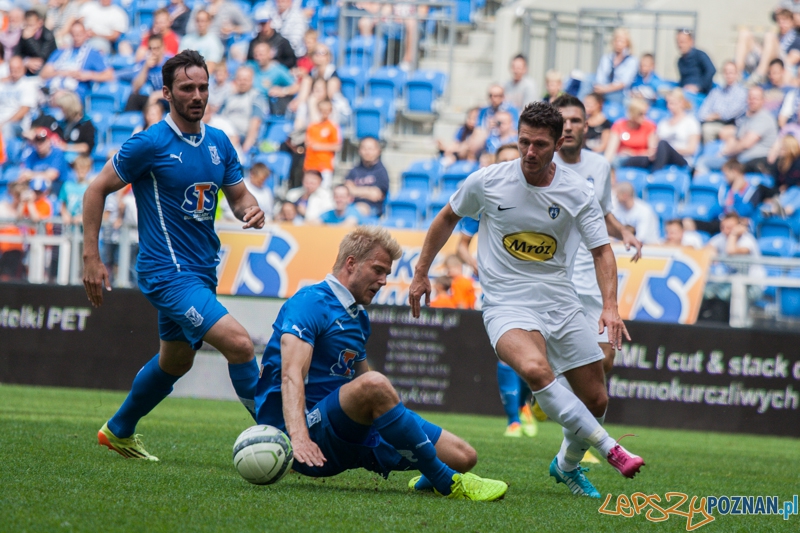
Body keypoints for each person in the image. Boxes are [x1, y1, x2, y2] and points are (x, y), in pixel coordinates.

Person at [409, 102, 645, 500]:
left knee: (597, 397)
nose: (530, 152)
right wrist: (420, 273)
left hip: (560, 300)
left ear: (558, 143)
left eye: (539, 144)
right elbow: (446, 218)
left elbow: (602, 250)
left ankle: (566, 466)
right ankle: (612, 448)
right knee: (536, 369)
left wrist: (610, 306)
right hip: (505, 302)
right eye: (523, 142)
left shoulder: (577, 190)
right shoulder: (487, 181)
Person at [83, 50, 266, 462]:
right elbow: (95, 189)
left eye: (203, 87)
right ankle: (283, 434)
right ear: (167, 92)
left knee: (177, 361)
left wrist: (250, 209)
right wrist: (90, 257)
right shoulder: (149, 143)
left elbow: (238, 196)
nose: (197, 95)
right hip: (166, 272)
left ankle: (118, 429)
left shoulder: (219, 142)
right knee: (239, 344)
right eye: (187, 88)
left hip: (200, 271)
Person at [255, 226, 508, 501]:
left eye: (387, 273)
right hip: (306, 436)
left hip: (345, 431)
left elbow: (363, 381)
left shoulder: (358, 318)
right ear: (351, 263)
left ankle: (429, 477)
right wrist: (298, 437)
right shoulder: (309, 303)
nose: (384, 280)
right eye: (378, 270)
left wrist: (398, 423)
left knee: (464, 456)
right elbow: (291, 375)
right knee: (375, 384)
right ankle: (445, 481)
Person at [552, 94, 643, 377]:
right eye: (562, 121)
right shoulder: (541, 164)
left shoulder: (599, 166)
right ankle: (547, 391)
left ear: (586, 126)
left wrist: (623, 232)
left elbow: (603, 214)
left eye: (574, 121)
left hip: (590, 277)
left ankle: (564, 403)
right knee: (549, 358)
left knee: (604, 359)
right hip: (553, 278)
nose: (568, 127)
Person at [697, 86, 779, 175]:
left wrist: (726, 152)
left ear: (763, 100)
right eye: (750, 98)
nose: (752, 101)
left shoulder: (764, 118)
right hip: (739, 159)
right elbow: (736, 137)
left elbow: (746, 144)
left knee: (703, 162)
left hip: (753, 161)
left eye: (755, 98)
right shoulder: (747, 118)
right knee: (707, 156)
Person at [39, 21, 114, 101]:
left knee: (60, 96)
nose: (76, 38)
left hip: (73, 94)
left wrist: (88, 75)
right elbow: (44, 74)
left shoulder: (92, 53)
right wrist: (63, 73)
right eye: (74, 35)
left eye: (79, 34)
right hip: (50, 89)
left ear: (86, 34)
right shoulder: (61, 51)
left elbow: (109, 75)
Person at [735, 7, 800, 82]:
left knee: (769, 35)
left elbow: (790, 60)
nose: (781, 24)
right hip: (766, 61)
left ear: (792, 22)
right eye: (779, 21)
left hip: (781, 65)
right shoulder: (777, 36)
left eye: (785, 20)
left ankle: (760, 74)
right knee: (744, 34)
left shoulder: (796, 39)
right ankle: (737, 73)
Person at [218, 66, 267, 154]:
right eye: (240, 79)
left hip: (240, 138)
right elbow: (217, 118)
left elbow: (255, 124)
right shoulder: (229, 97)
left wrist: (246, 148)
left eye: (246, 79)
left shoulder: (256, 97)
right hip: (223, 134)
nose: (242, 82)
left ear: (252, 80)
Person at [696, 61, 748, 144]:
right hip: (713, 122)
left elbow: (729, 114)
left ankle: (711, 154)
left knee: (707, 129)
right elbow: (702, 113)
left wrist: (714, 115)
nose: (728, 75)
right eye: (726, 72)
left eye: (731, 72)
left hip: (732, 125)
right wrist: (712, 116)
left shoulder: (742, 93)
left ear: (736, 74)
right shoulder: (715, 92)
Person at [649, 88, 701, 169]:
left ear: (681, 103)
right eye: (668, 103)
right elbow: (655, 142)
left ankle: (654, 173)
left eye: (672, 103)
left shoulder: (691, 122)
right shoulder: (663, 123)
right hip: (663, 157)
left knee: (663, 144)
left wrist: (668, 151)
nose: (669, 106)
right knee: (639, 160)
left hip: (682, 159)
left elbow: (691, 149)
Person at [604, 98, 657, 167]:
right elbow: (610, 151)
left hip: (641, 160)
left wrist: (633, 153)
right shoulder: (619, 125)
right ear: (633, 113)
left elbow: (652, 153)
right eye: (641, 114)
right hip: (623, 159)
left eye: (645, 114)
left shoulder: (649, 126)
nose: (644, 117)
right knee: (613, 161)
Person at [345, 136, 390, 217]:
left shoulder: (381, 171)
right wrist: (368, 191)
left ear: (378, 151)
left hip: (373, 209)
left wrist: (355, 190)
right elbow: (347, 190)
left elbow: (376, 195)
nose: (367, 152)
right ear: (359, 151)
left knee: (356, 211)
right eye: (364, 148)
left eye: (370, 149)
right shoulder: (354, 170)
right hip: (351, 207)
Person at [125, 34, 170, 113]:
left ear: (163, 48)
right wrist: (145, 67)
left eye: (156, 48)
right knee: (133, 98)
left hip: (169, 99)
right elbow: (136, 88)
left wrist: (157, 95)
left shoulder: (171, 63)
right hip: (155, 100)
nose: (154, 52)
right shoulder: (145, 63)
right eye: (151, 49)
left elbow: (177, 89)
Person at [592, 28, 638, 104]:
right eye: (617, 41)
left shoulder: (632, 60)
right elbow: (600, 76)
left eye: (622, 41)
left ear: (627, 44)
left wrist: (605, 89)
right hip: (602, 88)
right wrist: (599, 87)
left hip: (619, 93)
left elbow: (623, 83)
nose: (618, 44)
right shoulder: (606, 58)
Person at [20, 127, 70, 196]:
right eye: (37, 141)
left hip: (57, 190)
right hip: (36, 191)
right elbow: (24, 175)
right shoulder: (32, 154)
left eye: (42, 141)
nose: (39, 144)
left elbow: (52, 175)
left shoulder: (57, 153)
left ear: (49, 141)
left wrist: (32, 175)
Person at [0, 55, 39, 141]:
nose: (14, 72)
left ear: (23, 69)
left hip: (17, 125)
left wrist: (3, 124)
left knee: (7, 128)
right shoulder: (3, 85)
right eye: (12, 69)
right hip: (2, 120)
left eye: (17, 69)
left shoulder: (28, 85)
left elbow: (23, 110)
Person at [303, 99, 341, 187]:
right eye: (322, 110)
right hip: (310, 164)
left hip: (324, 165)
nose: (324, 113)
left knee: (324, 190)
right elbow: (308, 143)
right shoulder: (312, 126)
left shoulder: (332, 127)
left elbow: (337, 146)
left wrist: (319, 147)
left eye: (327, 110)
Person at [52, 89, 96, 157]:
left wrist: (66, 147)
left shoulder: (85, 123)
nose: (61, 111)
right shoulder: (62, 123)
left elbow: (86, 147)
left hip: (80, 159)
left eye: (62, 108)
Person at [186, 0, 251, 43]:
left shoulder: (230, 8)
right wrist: (205, 18)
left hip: (220, 46)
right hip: (199, 43)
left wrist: (233, 29)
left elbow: (249, 27)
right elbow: (189, 30)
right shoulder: (200, 7)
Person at [15, 8, 57, 75]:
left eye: (31, 25)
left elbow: (42, 56)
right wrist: (27, 61)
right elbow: (17, 53)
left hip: (45, 67)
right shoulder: (24, 33)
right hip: (28, 67)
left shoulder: (47, 35)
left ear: (39, 23)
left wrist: (30, 39)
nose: (28, 28)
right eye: (26, 25)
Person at [676, 29, 715, 95]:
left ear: (691, 41)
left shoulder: (700, 55)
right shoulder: (680, 61)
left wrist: (698, 87)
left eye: (683, 42)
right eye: (678, 42)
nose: (680, 45)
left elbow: (711, 70)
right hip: (685, 93)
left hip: (700, 94)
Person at [59, 154, 92, 227]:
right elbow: (62, 204)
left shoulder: (91, 187)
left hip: (84, 227)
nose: (81, 171)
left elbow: (95, 208)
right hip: (69, 225)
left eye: (84, 169)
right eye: (78, 169)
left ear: (89, 170)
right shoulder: (67, 185)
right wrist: (65, 214)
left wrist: (84, 217)